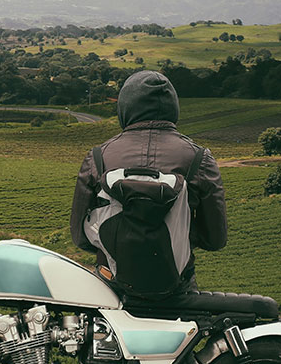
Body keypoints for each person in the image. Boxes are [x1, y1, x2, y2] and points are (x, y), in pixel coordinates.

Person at [70, 70, 227, 297]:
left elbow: (80, 237)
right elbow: (215, 239)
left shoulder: (98, 157)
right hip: (176, 287)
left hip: (110, 285)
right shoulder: (199, 158)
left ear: (125, 108)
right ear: (174, 107)